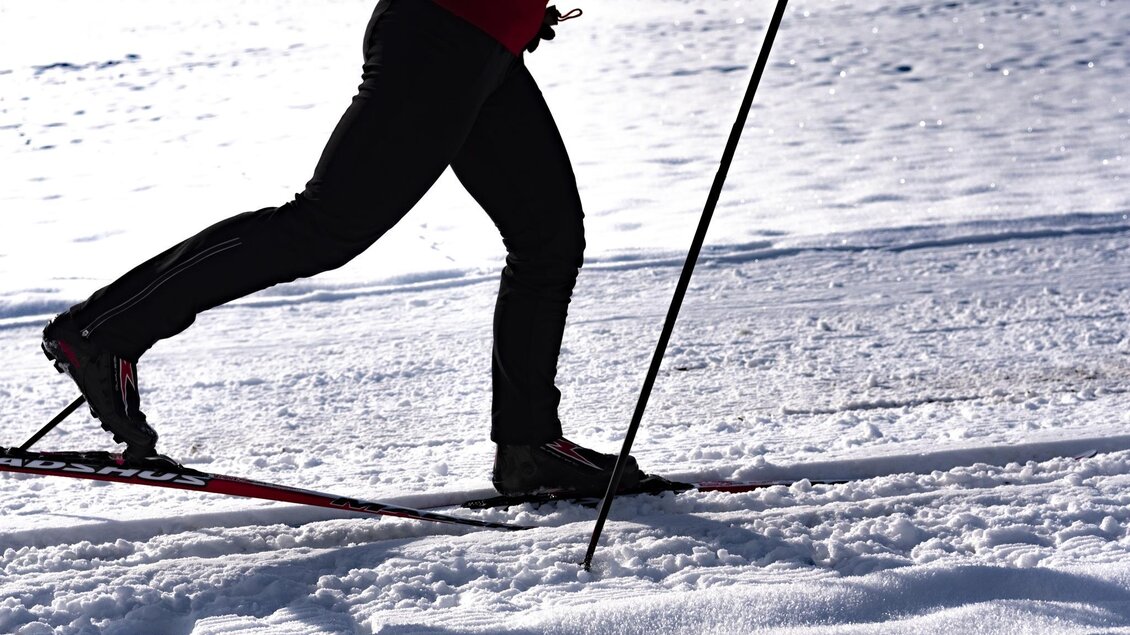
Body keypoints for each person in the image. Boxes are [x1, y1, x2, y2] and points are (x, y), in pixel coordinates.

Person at [40, 0, 646, 496]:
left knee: (549, 239)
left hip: (487, 44)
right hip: (442, 32)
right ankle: (102, 332)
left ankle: (529, 446)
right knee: (326, 226)